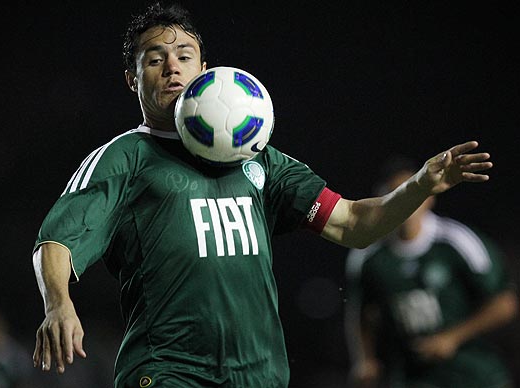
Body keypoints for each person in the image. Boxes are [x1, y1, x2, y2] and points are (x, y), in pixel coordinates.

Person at [31, 2, 494, 387]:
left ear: (205, 70)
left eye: (185, 56)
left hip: (260, 374)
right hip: (169, 371)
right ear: (133, 79)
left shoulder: (260, 159)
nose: (172, 66)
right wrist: (58, 303)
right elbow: (57, 241)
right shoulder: (124, 157)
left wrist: (421, 185)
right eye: (155, 58)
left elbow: (354, 224)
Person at [344, 155, 518, 388]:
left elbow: (505, 302)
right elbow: (361, 313)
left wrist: (453, 337)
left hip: (473, 373)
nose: (405, 203)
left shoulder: (456, 241)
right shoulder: (368, 257)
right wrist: (365, 360)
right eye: (396, 194)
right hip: (413, 376)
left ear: (429, 198)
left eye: (411, 192)